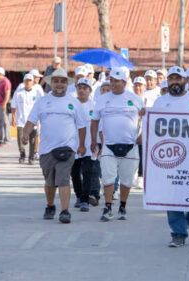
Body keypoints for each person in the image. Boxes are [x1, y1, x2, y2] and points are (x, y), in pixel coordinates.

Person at [23, 68, 86, 224]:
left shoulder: (74, 102)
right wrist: (25, 134)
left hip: (67, 148)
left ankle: (65, 211)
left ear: (67, 84)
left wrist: (82, 145)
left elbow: (81, 126)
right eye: (56, 81)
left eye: (62, 81)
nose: (59, 84)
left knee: (64, 179)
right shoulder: (42, 101)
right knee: (50, 182)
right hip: (46, 150)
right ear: (51, 83)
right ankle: (50, 205)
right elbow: (31, 120)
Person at [152, 66, 189, 248]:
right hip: (169, 157)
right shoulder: (159, 102)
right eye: (171, 78)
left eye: (178, 78)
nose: (175, 81)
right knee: (172, 195)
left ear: (185, 80)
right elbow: (153, 128)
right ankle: (178, 233)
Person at [91, 67, 143, 222]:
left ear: (124, 82)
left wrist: (143, 136)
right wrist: (94, 140)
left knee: (126, 181)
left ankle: (123, 206)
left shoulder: (135, 99)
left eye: (117, 81)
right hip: (109, 145)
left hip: (130, 146)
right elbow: (94, 121)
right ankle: (107, 207)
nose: (113, 84)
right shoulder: (102, 99)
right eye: (111, 80)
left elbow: (147, 118)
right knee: (108, 179)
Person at [70, 78, 100, 212]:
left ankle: (85, 200)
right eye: (79, 87)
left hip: (90, 145)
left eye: (85, 88)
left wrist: (97, 142)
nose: (81, 90)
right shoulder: (71, 104)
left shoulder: (95, 106)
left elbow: (99, 126)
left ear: (90, 91)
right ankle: (78, 195)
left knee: (88, 172)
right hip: (73, 145)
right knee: (74, 172)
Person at [10, 74, 42, 164]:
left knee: (32, 140)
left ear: (33, 82)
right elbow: (13, 105)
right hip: (21, 121)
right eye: (26, 81)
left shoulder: (37, 93)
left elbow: (40, 107)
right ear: (24, 82)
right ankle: (22, 154)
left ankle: (31, 157)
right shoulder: (18, 92)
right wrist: (13, 118)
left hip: (33, 121)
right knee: (20, 141)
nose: (28, 82)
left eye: (30, 81)